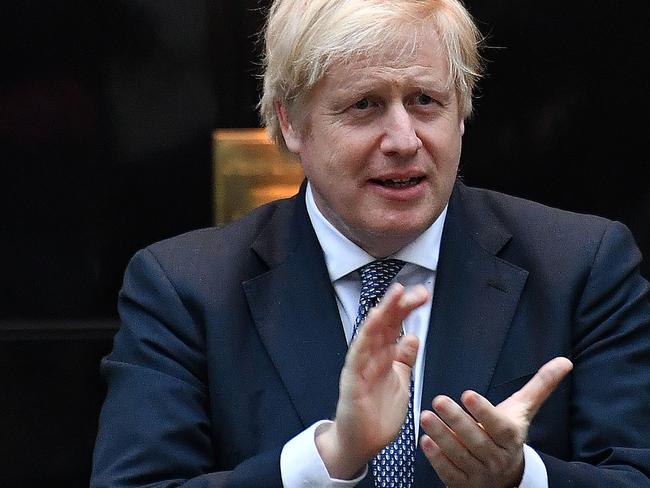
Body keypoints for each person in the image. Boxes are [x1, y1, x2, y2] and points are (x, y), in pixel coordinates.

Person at [91, 0, 650, 486]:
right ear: (291, 124)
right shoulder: (183, 288)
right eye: (364, 105)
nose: (404, 140)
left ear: (461, 113)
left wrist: (518, 476)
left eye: (426, 101)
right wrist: (326, 460)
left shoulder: (582, 265)